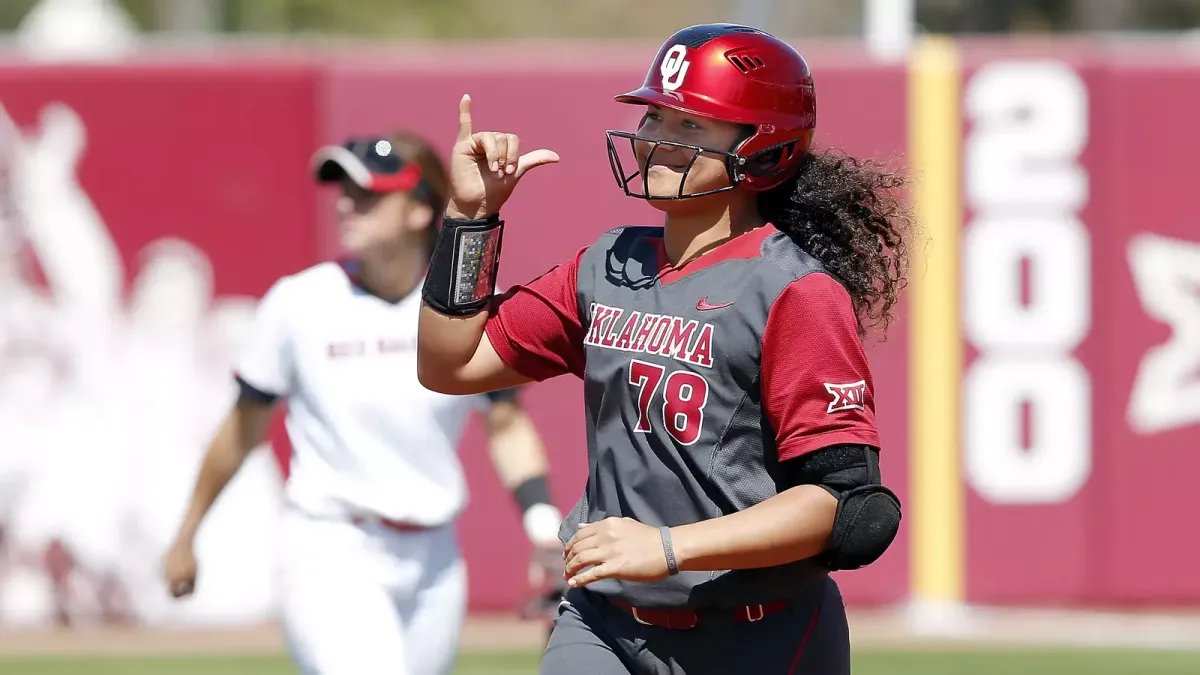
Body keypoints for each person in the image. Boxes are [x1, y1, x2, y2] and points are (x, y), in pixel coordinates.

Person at [416, 23, 912, 675]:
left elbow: (845, 505)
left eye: (690, 126)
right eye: (655, 115)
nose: (656, 139)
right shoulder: (608, 263)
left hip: (756, 633)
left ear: (765, 149)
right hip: (603, 621)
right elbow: (450, 364)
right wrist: (469, 217)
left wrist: (671, 547)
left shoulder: (794, 291)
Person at [162, 131, 563, 675]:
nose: (348, 204)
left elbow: (506, 424)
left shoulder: (456, 310)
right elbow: (242, 429)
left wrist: (543, 527)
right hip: (330, 543)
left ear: (422, 209)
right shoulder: (299, 302)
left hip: (434, 556)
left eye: (369, 193)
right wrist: (187, 534)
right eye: (344, 191)